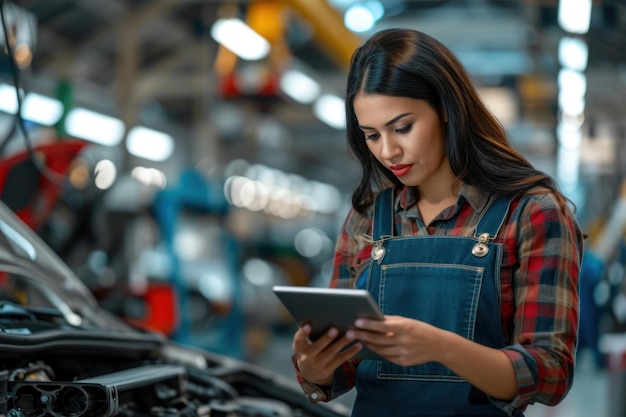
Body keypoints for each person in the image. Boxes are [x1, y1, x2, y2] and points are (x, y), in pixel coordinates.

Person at [290, 28, 584, 417]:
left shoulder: (532, 213)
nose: (388, 151)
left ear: (446, 107)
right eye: (372, 135)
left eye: (402, 127)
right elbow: (346, 366)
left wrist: (440, 347)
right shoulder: (367, 217)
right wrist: (315, 367)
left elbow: (549, 372)